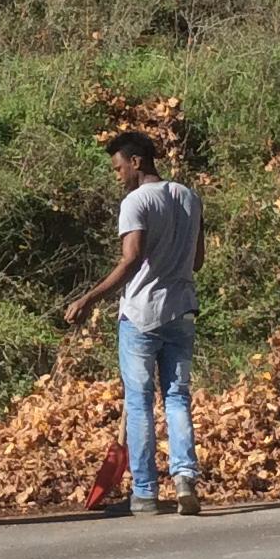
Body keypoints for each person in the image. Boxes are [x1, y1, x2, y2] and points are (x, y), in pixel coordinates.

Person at [64, 130, 204, 515]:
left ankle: (144, 492)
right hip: (182, 313)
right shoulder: (190, 197)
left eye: (118, 168)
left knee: (140, 402)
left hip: (141, 315)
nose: (117, 176)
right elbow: (197, 261)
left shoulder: (136, 201)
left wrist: (89, 299)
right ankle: (184, 478)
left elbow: (131, 259)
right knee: (177, 396)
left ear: (136, 162)